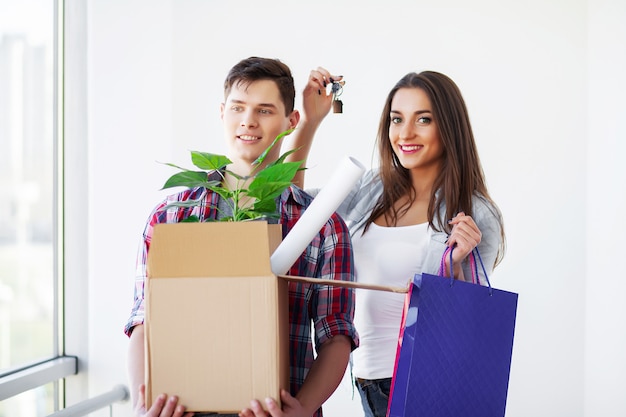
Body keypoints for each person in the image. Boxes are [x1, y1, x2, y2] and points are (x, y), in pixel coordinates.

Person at [124, 57, 359, 417]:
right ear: (222, 112)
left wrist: (304, 409)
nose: (248, 121)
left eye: (265, 110)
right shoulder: (170, 218)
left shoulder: (321, 226)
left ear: (290, 121)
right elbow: (144, 322)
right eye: (238, 108)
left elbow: (336, 336)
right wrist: (143, 406)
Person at [286, 68, 506, 417]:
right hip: (366, 379)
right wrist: (309, 122)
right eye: (396, 119)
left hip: (424, 382)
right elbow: (294, 205)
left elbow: (467, 322)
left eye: (423, 119)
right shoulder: (371, 188)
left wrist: (454, 266)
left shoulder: (476, 213)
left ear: (449, 127)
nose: (405, 133)